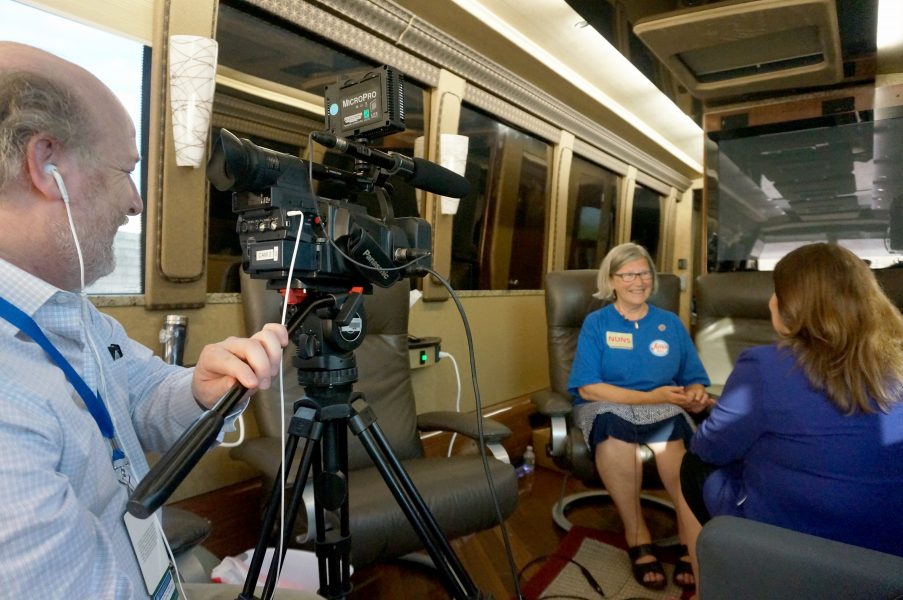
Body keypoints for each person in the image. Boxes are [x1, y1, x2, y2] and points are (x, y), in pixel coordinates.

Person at [0, 42, 318, 599]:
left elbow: (139, 391)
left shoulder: (65, 309)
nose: (136, 203)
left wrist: (197, 389)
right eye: (126, 171)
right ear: (47, 164)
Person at [681, 243, 903, 590]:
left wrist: (718, 417)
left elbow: (709, 447)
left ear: (792, 306)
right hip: (888, 554)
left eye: (777, 292)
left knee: (692, 464)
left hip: (795, 542)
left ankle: (709, 582)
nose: (771, 300)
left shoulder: (765, 365)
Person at [567, 242, 713, 591]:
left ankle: (691, 541)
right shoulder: (597, 323)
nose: (638, 281)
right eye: (629, 274)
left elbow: (694, 377)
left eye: (644, 273)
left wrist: (695, 394)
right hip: (606, 403)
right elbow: (589, 388)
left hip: (663, 406)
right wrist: (650, 397)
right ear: (612, 280)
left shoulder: (670, 323)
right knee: (614, 432)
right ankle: (637, 536)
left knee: (672, 443)